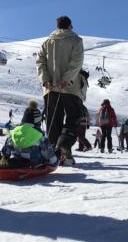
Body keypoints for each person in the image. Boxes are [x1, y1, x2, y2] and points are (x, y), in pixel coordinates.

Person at [36, 15, 84, 165]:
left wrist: (45, 80)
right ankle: (64, 147)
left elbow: (40, 62)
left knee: (53, 119)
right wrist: (67, 79)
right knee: (74, 117)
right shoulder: (76, 40)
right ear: (69, 26)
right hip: (70, 88)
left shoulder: (46, 42)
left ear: (57, 27)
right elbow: (76, 62)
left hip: (51, 88)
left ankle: (52, 153)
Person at [75, 69, 92, 152]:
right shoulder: (84, 107)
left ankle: (88, 146)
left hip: (80, 121)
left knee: (79, 135)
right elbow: (87, 115)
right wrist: (88, 123)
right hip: (84, 122)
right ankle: (81, 147)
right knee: (82, 135)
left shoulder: (78, 106)